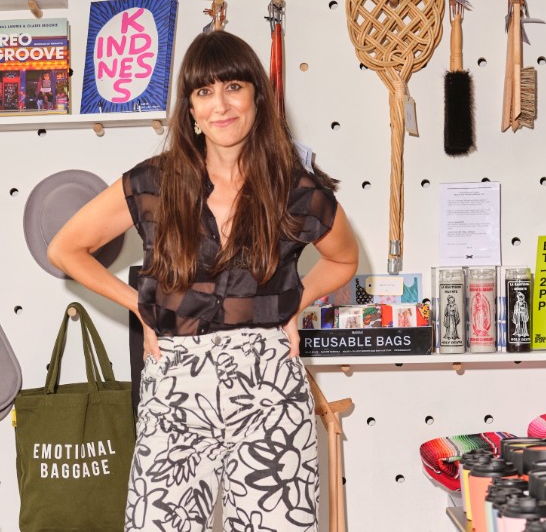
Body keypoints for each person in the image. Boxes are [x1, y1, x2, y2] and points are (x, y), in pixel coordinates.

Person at [47, 31, 359, 531]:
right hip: (175, 384)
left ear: (258, 96)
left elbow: (343, 261)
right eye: (204, 92)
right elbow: (65, 248)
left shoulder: (297, 191)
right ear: (189, 109)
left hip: (269, 388)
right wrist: (138, 305)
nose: (221, 105)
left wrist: (295, 304)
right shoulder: (153, 182)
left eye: (233, 87)